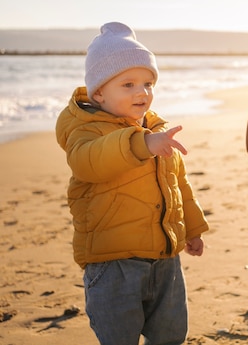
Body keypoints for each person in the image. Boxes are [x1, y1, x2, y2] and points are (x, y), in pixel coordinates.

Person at [56, 22, 210, 345]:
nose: (142, 92)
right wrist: (142, 144)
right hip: (113, 265)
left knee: (171, 334)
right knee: (119, 337)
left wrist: (191, 227)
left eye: (148, 83)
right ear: (99, 92)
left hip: (165, 260)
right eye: (128, 84)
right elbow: (91, 161)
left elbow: (178, 183)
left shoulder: (157, 129)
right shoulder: (86, 131)